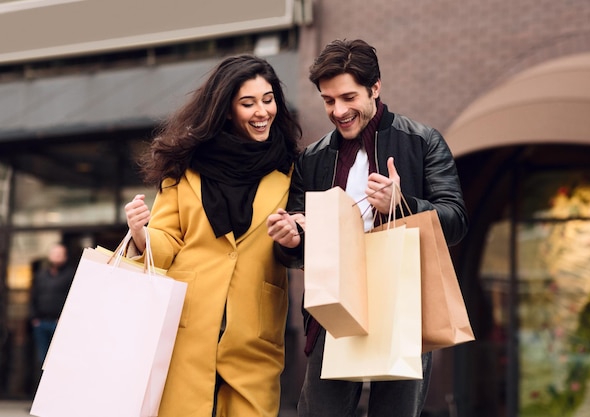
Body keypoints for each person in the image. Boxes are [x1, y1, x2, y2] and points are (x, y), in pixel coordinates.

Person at [267, 39, 469, 416]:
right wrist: (292, 239)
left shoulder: (422, 142)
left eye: (348, 97)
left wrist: (402, 205)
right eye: (328, 101)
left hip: (403, 305)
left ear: (375, 88)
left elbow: (455, 221)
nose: (338, 111)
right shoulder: (312, 158)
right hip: (334, 307)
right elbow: (297, 240)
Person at [124, 54, 302, 417]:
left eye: (268, 100)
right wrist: (141, 234)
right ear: (225, 110)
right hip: (188, 328)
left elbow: (298, 244)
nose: (261, 112)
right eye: (248, 103)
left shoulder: (291, 169)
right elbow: (168, 240)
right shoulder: (185, 168)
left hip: (255, 332)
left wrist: (293, 236)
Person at [29, 242, 74, 369]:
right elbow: (33, 296)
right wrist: (34, 318)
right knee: (41, 359)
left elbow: (72, 298)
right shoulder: (41, 275)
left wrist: (64, 319)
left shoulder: (70, 275)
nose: (57, 257)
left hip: (58, 323)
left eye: (60, 254)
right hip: (41, 322)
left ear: (65, 256)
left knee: (58, 359)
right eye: (54, 254)